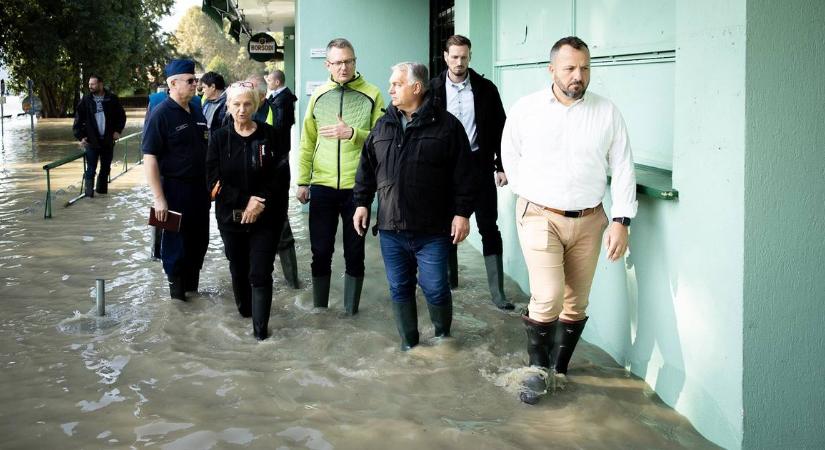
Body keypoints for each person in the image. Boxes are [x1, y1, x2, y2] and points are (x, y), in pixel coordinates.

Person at [500, 36, 637, 404]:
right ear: (552, 70)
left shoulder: (607, 112)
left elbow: (623, 167)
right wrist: (527, 193)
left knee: (577, 302)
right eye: (570, 68)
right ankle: (535, 371)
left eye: (585, 68)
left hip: (591, 219)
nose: (578, 76)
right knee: (548, 295)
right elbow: (509, 153)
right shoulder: (527, 109)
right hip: (540, 215)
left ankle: (559, 370)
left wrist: (621, 220)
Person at [353, 62, 475, 350]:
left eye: (397, 84)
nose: (391, 88)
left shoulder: (447, 126)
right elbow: (367, 168)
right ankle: (410, 346)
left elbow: (465, 175)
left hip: (432, 229)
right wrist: (361, 204)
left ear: (416, 88)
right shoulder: (383, 125)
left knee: (435, 287)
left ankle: (444, 339)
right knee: (400, 288)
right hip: (391, 228)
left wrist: (462, 214)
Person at [296, 38, 384, 314]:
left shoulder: (372, 94)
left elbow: (383, 140)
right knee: (320, 252)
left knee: (354, 254)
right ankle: (320, 311)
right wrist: (302, 181)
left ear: (355, 61)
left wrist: (353, 134)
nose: (344, 67)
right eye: (338, 62)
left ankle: (351, 313)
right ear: (328, 65)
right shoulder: (319, 95)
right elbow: (307, 141)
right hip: (321, 185)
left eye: (349, 61)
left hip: (357, 189)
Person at [430, 35, 513, 310]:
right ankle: (450, 282)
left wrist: (501, 165)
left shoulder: (486, 88)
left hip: (478, 164)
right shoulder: (433, 90)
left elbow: (502, 130)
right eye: (454, 57)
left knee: (489, 226)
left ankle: (498, 294)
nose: (459, 62)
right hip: (444, 170)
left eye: (464, 57)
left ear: (470, 56)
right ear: (445, 57)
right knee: (445, 226)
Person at [206, 82, 290, 340]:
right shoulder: (219, 138)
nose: (242, 110)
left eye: (247, 104)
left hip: (266, 217)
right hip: (231, 218)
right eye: (236, 104)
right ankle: (245, 313)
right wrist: (245, 201)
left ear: (256, 105)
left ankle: (260, 334)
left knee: (260, 272)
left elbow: (281, 176)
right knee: (239, 268)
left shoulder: (271, 134)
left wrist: (260, 201)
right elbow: (213, 182)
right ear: (228, 106)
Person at [142, 59, 211, 301]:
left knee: (199, 240)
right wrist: (159, 199)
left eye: (196, 80)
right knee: (175, 246)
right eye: (190, 81)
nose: (196, 84)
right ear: (173, 83)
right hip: (173, 189)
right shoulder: (161, 114)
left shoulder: (197, 108)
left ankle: (192, 296)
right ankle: (178, 300)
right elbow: (149, 158)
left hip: (200, 190)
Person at [264, 69, 301, 289]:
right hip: (275, 163)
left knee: (282, 227)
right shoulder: (277, 100)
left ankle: (292, 282)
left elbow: (279, 129)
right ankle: (290, 282)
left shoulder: (281, 100)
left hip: (276, 165)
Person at [72, 75, 126, 198]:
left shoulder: (112, 99)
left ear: (101, 84)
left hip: (108, 140)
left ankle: (102, 196)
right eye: (89, 84)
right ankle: (89, 197)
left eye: (93, 84)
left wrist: (118, 131)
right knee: (91, 169)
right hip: (91, 141)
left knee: (105, 168)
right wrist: (81, 137)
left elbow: (121, 117)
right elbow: (77, 121)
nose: (90, 86)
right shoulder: (85, 100)